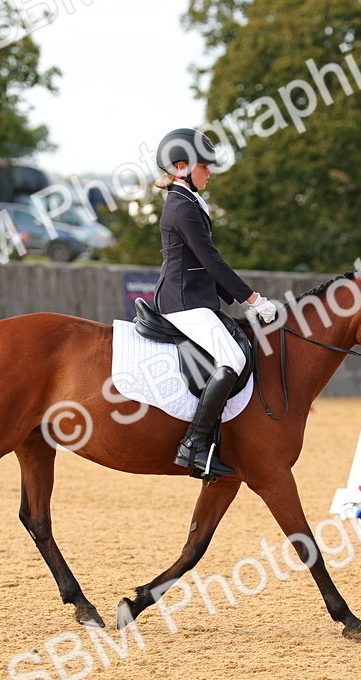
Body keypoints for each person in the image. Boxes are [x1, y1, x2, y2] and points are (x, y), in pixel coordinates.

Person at [152, 128, 279, 479]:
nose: (209, 172)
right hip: (183, 303)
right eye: (203, 166)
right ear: (181, 167)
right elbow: (211, 261)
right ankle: (193, 444)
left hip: (196, 298)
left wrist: (236, 300)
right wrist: (252, 299)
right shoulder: (182, 206)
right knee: (234, 358)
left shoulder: (190, 201)